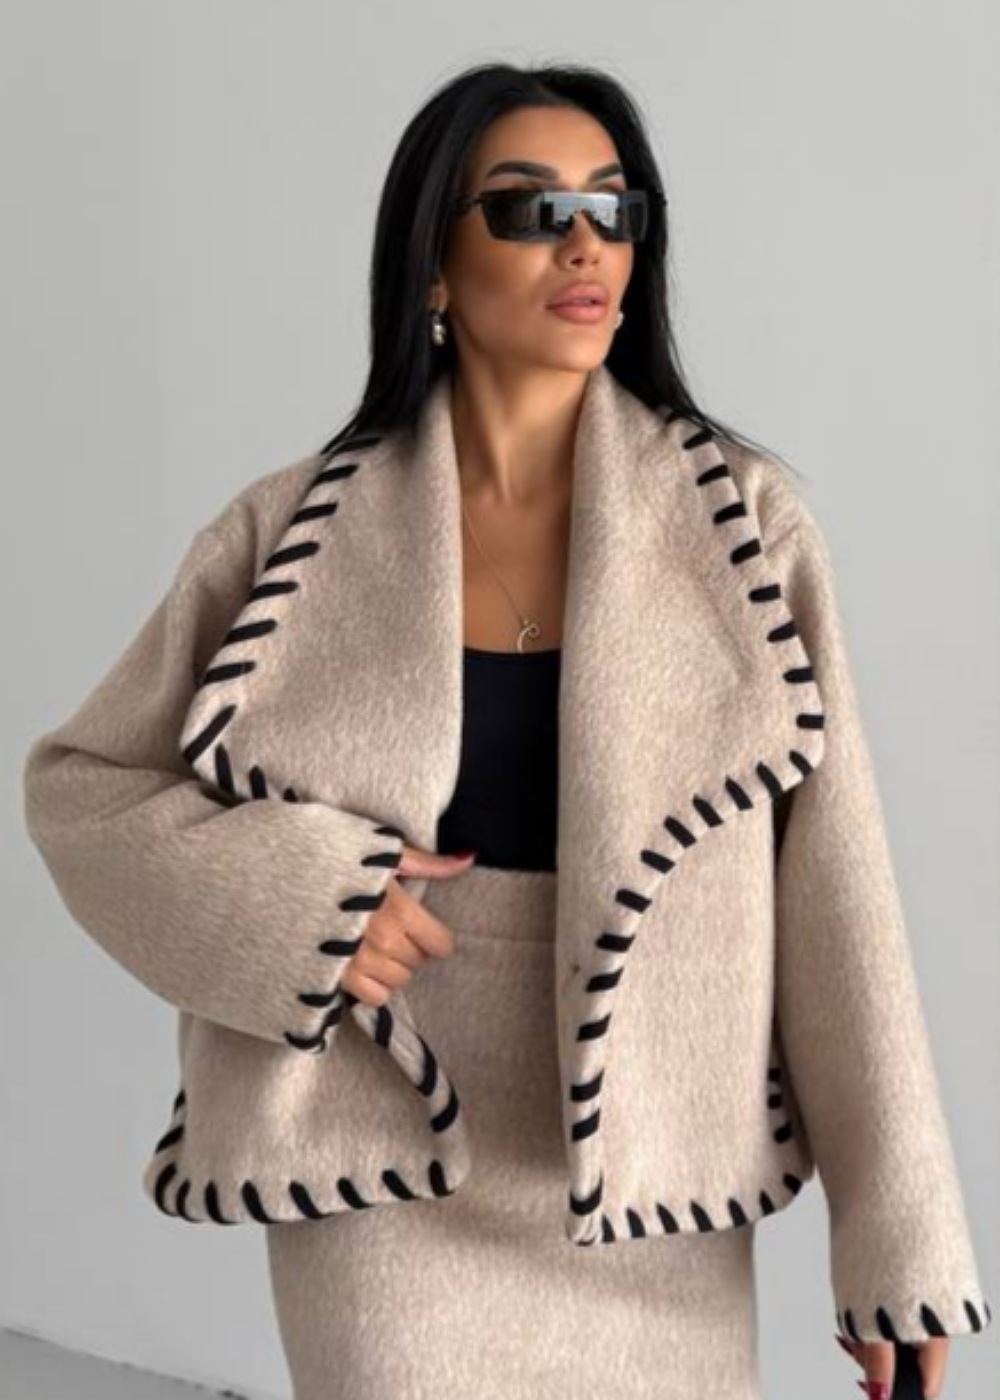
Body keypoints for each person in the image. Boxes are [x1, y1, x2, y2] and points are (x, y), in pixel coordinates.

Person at [22, 61, 991, 1400]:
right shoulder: (286, 534)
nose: (585, 244)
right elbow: (83, 790)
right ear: (434, 261)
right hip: (381, 1142)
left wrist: (900, 1234)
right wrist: (302, 904)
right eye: (532, 211)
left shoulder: (747, 530)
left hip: (652, 1168)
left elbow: (839, 896)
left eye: (614, 209)